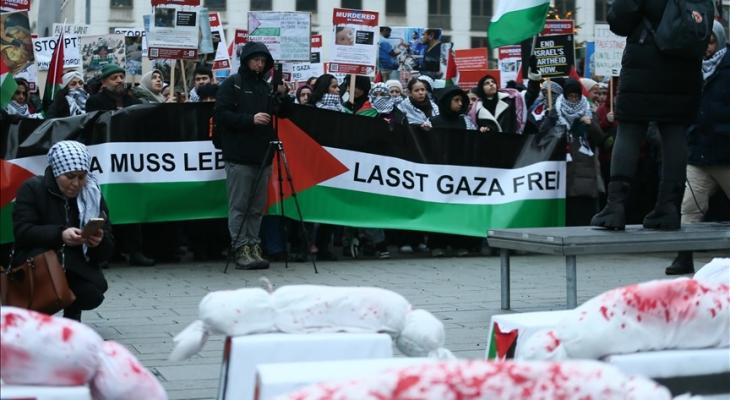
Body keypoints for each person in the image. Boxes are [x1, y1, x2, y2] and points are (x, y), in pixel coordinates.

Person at [591, 0, 712, 231]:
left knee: (629, 130)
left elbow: (618, 20)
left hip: (644, 67)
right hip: (685, 71)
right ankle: (668, 208)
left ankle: (615, 207)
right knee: (675, 133)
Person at [13, 141, 112, 321]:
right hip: (37, 261)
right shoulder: (32, 188)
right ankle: (35, 316)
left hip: (74, 262)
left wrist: (98, 240)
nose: (76, 183)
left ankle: (72, 311)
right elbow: (23, 231)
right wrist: (60, 235)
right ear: (58, 172)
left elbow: (108, 247)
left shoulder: (92, 192)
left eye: (82, 177)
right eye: (70, 176)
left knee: (94, 291)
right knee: (48, 282)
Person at [666, 21, 730, 275]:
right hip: (698, 152)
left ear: (721, 41)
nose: (706, 48)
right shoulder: (691, 68)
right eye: (703, 42)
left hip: (726, 152)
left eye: (711, 41)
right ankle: (684, 257)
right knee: (689, 208)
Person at [215, 41, 277, 270]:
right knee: (239, 205)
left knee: (256, 207)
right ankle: (240, 246)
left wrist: (282, 97)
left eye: (263, 61)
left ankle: (253, 245)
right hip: (239, 156)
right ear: (246, 60)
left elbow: (282, 114)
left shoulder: (266, 87)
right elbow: (221, 115)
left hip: (263, 156)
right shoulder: (233, 84)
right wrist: (250, 119)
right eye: (256, 59)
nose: (259, 64)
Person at [85, 64, 154, 267]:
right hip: (107, 160)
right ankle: (106, 253)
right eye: (114, 77)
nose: (119, 80)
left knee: (132, 203)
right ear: (104, 82)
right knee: (107, 206)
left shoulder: (132, 100)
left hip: (130, 159)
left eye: (121, 76)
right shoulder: (95, 101)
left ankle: (135, 251)